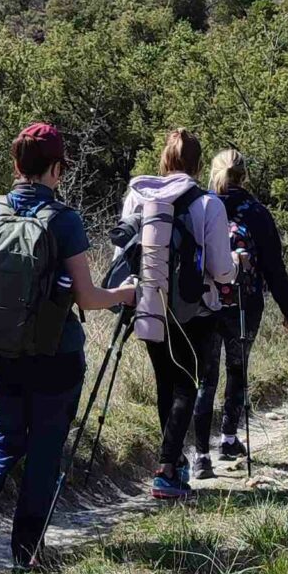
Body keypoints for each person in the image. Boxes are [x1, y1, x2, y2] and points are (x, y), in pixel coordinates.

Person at [0, 122, 136, 574]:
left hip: (0, 351)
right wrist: (126, 293)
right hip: (55, 355)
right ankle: (26, 552)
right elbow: (87, 298)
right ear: (57, 170)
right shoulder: (64, 221)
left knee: (1, 436)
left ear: (15, 164)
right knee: (45, 448)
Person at [119, 128, 237, 499]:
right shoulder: (208, 204)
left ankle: (175, 464)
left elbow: (123, 254)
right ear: (199, 165)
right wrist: (236, 264)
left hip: (148, 302)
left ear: (164, 161)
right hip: (193, 310)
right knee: (187, 384)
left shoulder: (138, 197)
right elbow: (220, 269)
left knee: (165, 383)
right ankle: (168, 468)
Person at [193, 148, 288, 463]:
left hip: (207, 302)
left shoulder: (201, 207)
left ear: (213, 173)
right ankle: (228, 439)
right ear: (245, 175)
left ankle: (200, 457)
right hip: (245, 303)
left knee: (206, 376)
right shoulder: (256, 212)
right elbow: (274, 268)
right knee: (237, 370)